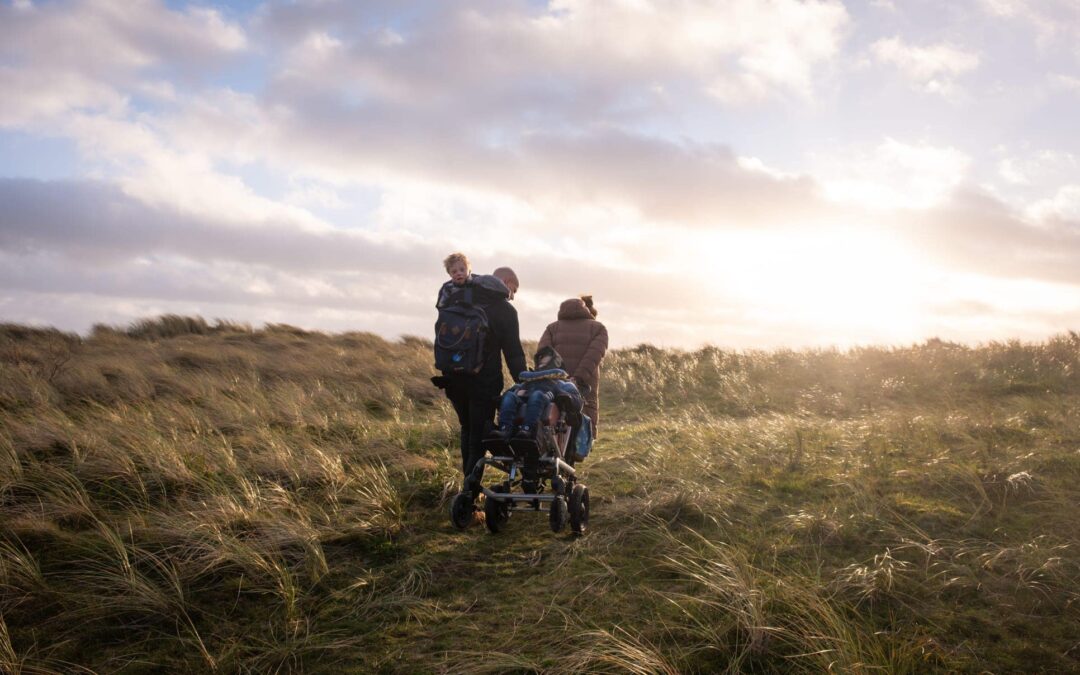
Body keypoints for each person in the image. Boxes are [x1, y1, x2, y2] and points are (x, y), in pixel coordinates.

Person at [433, 261, 527, 507]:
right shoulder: (505, 310)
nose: (513, 295)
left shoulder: (457, 299)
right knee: (479, 436)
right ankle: (469, 496)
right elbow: (513, 353)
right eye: (514, 289)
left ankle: (467, 490)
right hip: (484, 381)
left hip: (452, 378)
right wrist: (525, 382)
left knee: (467, 429)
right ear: (505, 283)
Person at [493, 346, 583, 492]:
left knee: (537, 396)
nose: (542, 363)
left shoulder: (563, 383)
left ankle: (527, 430)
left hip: (545, 427)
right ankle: (504, 431)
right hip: (518, 419)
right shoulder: (526, 382)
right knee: (509, 397)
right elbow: (509, 395)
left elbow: (577, 402)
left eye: (546, 360)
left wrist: (564, 396)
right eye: (540, 360)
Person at [538, 295, 608, 436]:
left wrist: (556, 377)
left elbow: (544, 355)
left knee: (555, 416)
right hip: (585, 384)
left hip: (555, 382)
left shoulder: (552, 328)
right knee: (585, 413)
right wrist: (578, 378)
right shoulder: (598, 328)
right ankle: (583, 443)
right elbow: (593, 356)